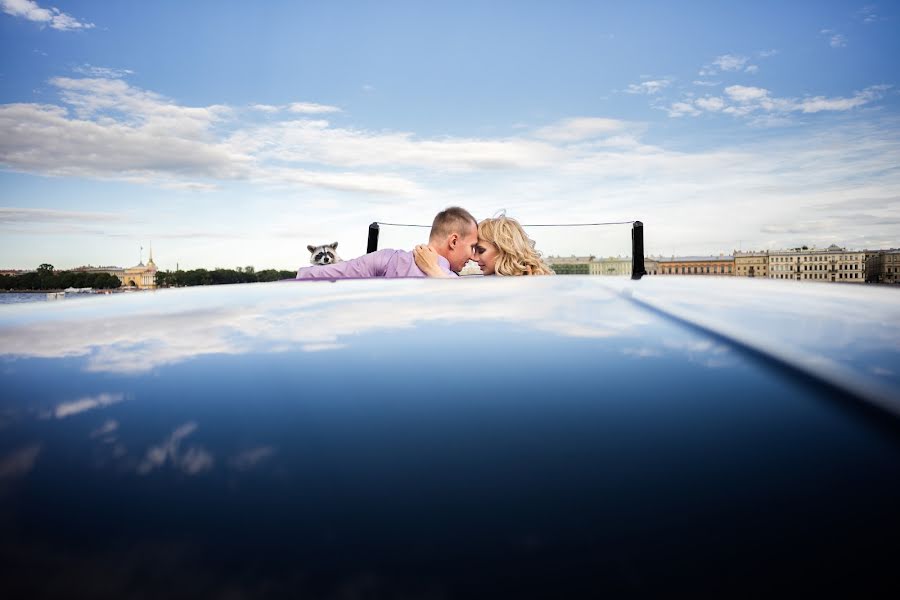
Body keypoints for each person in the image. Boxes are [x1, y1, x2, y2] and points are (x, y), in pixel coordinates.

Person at [296, 207, 478, 279]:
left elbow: (326, 273)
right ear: (453, 241)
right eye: (472, 247)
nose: (473, 256)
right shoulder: (457, 287)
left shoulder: (388, 259)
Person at [414, 215, 555, 276]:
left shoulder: (521, 285)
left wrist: (432, 269)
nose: (473, 258)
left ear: (504, 250)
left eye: (480, 250)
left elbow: (463, 304)